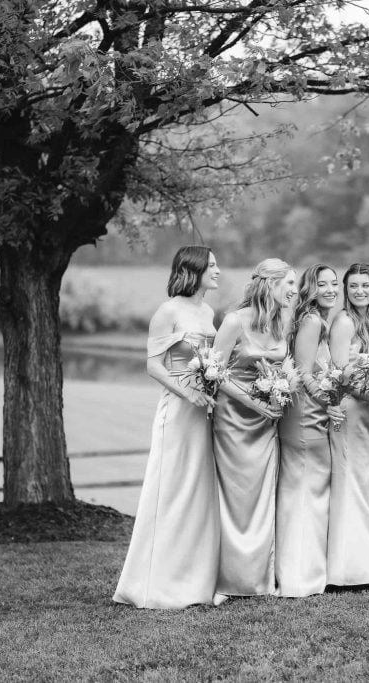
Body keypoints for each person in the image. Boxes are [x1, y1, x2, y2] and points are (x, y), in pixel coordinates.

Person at [113, 246, 222, 609]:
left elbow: (208, 361)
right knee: (172, 490)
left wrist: (208, 388)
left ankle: (195, 579)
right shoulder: (168, 311)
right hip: (178, 411)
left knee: (198, 492)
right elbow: (155, 366)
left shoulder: (207, 311)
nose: (218, 271)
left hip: (205, 410)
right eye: (212, 266)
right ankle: (156, 583)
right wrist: (188, 394)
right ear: (194, 270)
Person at [211, 258, 297, 597]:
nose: (294, 290)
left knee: (262, 497)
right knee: (235, 498)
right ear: (270, 284)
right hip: (233, 419)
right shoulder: (234, 321)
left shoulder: (281, 321)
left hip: (267, 420)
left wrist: (282, 388)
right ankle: (226, 581)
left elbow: (285, 364)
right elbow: (214, 373)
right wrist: (255, 402)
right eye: (289, 283)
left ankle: (258, 580)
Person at [276, 264, 342, 597]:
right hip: (306, 415)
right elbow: (302, 371)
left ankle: (304, 570)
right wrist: (328, 398)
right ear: (310, 288)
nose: (330, 289)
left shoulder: (312, 318)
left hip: (309, 412)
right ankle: (300, 576)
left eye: (334, 283)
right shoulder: (313, 320)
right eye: (322, 284)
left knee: (304, 490)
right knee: (306, 490)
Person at [326, 263, 369, 587]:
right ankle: (346, 569)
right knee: (350, 480)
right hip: (349, 411)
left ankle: (365, 561)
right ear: (346, 291)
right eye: (353, 286)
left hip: (366, 413)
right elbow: (339, 376)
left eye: (366, 285)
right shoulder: (345, 321)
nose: (360, 291)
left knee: (363, 481)